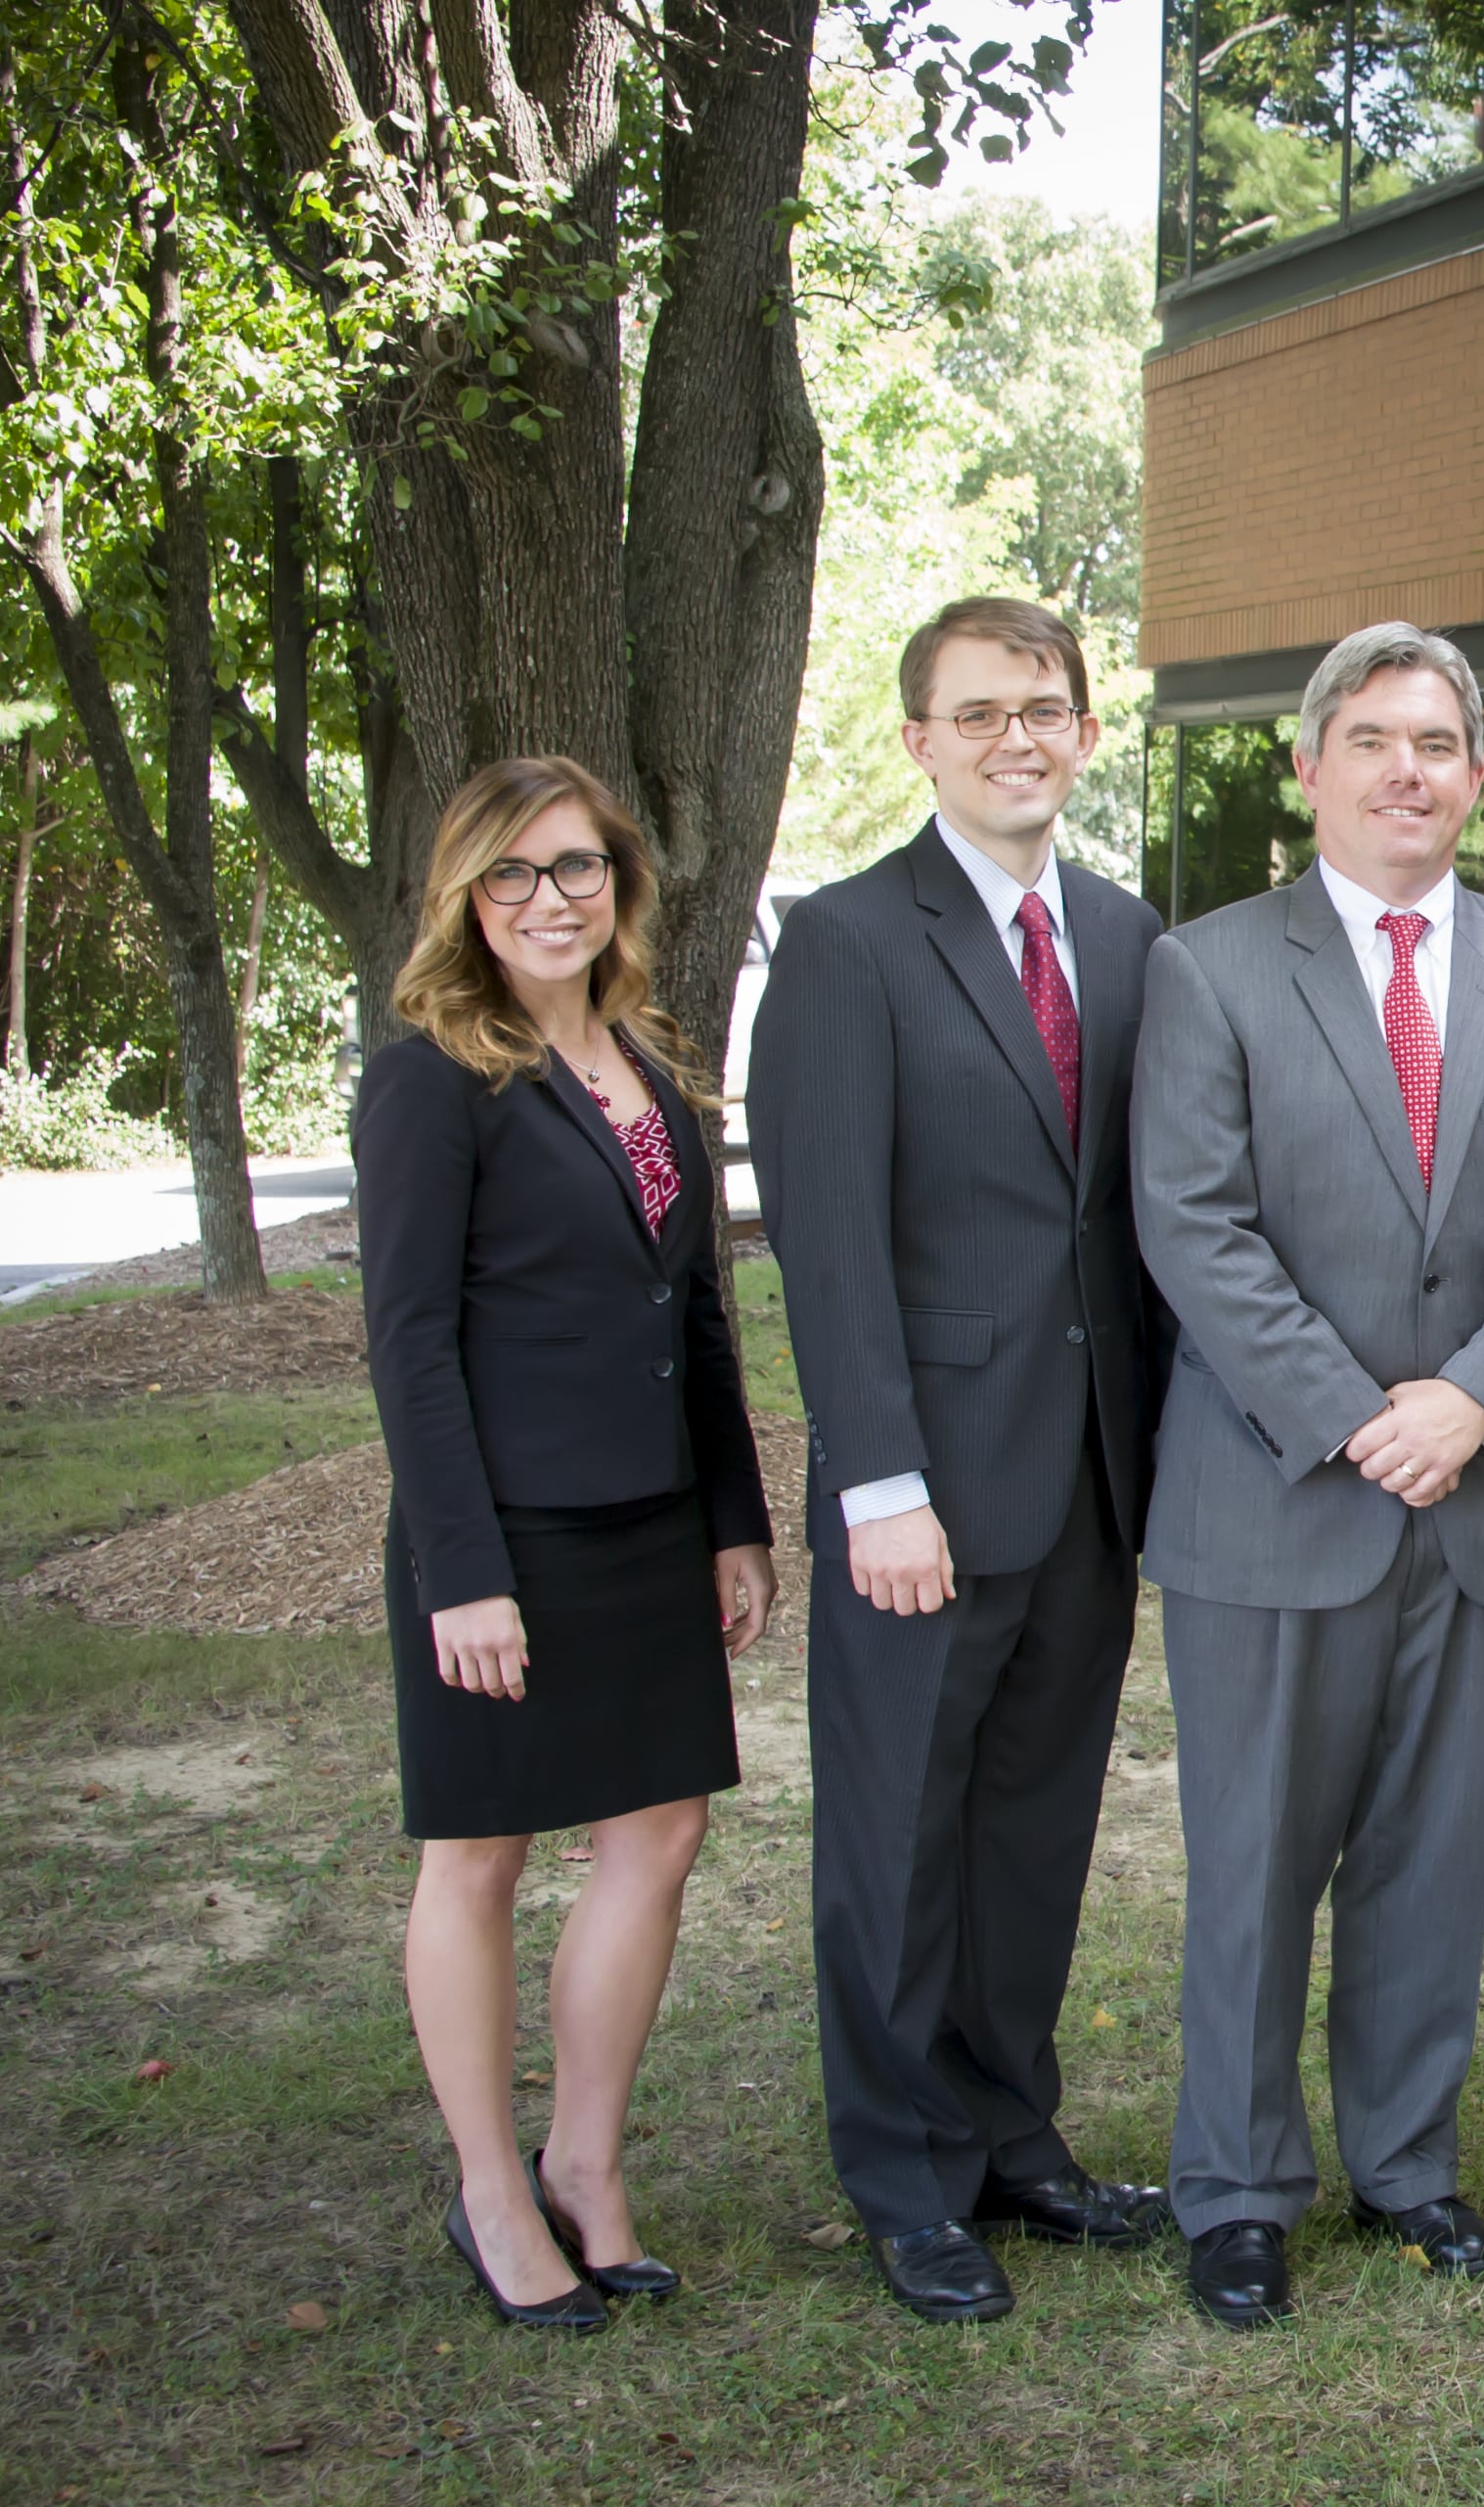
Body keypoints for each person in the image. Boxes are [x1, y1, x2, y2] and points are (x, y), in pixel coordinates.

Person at [1131, 623, 1484, 2331]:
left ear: (1478, 779)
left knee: (1434, 1849)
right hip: (1279, 1491)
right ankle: (1239, 2184)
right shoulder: (1207, 969)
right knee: (1255, 1855)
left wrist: (1469, 1404)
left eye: (1437, 744)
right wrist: (1358, 1414)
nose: (1407, 769)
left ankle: (1407, 2161)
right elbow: (1192, 1226)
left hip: (1473, 1494)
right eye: (1374, 741)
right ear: (1308, 766)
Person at [749, 596, 1172, 2325]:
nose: (1020, 735)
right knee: (899, 1843)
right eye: (980, 709)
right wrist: (876, 1484)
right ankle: (905, 2174)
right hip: (920, 1491)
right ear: (918, 737)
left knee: (1031, 1828)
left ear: (1084, 732)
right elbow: (828, 1242)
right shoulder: (846, 943)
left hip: (1090, 1477)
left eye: (1048, 706)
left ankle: (1011, 2134)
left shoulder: (1134, 937)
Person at [357, 756, 777, 2332]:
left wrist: (732, 1519)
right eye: (516, 874)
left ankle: (585, 2164)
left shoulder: (651, 1065)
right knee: (477, 1855)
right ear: (469, 898)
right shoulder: (430, 1076)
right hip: (504, 1539)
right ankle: (488, 2192)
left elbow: (702, 1317)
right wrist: (460, 1567)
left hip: (651, 1525)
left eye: (578, 867)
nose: (551, 898)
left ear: (621, 884)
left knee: (658, 1835)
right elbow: (407, 1342)